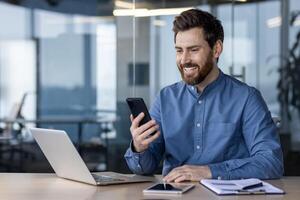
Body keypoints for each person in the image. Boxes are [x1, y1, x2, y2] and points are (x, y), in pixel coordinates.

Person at [124, 9, 283, 182]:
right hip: (175, 194)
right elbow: (146, 166)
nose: (184, 59)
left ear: (216, 49)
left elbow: (271, 162)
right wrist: (139, 147)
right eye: (179, 50)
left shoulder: (247, 98)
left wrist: (210, 171)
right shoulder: (165, 98)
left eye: (193, 50)